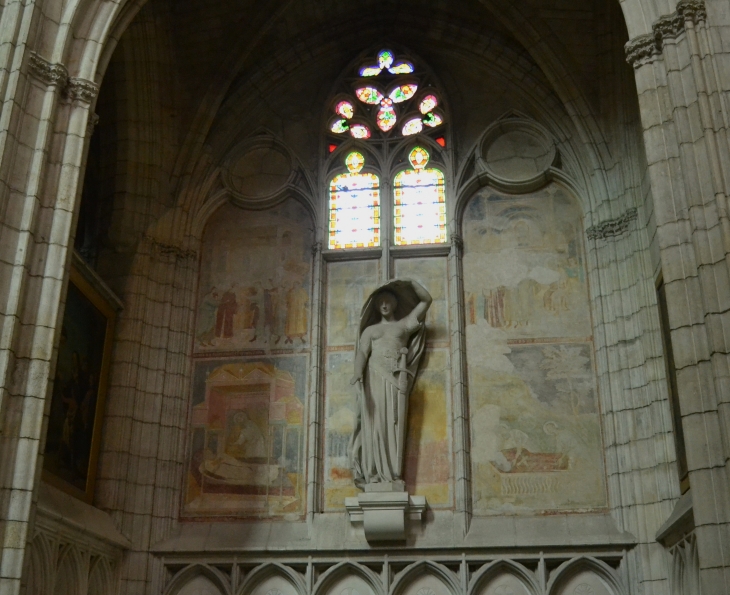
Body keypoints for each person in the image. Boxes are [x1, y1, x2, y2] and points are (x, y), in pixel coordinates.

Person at [349, 278, 432, 488]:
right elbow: (362, 353)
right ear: (377, 306)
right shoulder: (371, 331)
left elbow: (426, 301)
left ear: (394, 303)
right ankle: (374, 472)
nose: (384, 305)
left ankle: (392, 473)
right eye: (380, 303)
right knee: (375, 423)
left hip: (396, 381)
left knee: (393, 423)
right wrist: (358, 372)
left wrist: (410, 283)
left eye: (387, 301)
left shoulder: (403, 325)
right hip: (374, 377)